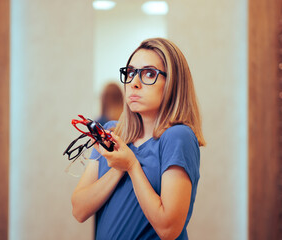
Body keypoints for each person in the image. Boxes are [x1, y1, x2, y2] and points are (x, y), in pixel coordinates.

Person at [71, 37, 206, 240]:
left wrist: (132, 166)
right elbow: (79, 209)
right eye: (131, 73)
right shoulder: (113, 133)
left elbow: (168, 229)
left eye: (149, 74)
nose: (133, 83)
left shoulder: (178, 137)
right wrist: (119, 168)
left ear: (173, 83)